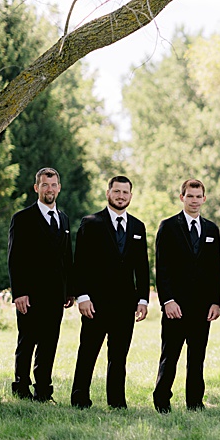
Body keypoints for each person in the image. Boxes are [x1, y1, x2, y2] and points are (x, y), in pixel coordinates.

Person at [70, 175, 149, 409]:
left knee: (119, 356)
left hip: (125, 304)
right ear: (108, 193)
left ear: (130, 196)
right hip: (95, 303)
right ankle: (80, 399)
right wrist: (82, 296)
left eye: (125, 192)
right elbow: (80, 263)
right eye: (117, 191)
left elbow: (142, 266)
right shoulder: (91, 222)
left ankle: (117, 402)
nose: (121, 196)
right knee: (88, 353)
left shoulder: (138, 226)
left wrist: (143, 299)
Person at [152, 179, 220, 413]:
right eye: (190, 196)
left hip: (202, 307)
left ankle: (195, 402)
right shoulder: (168, 226)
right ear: (182, 197)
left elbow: (215, 268)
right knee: (170, 355)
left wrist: (215, 301)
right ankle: (162, 400)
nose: (194, 200)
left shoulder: (211, 229)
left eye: (198, 196)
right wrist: (168, 301)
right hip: (176, 305)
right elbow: (162, 267)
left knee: (197, 357)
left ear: (204, 199)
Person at [7, 167, 75, 402]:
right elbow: (15, 258)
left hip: (56, 294)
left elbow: (67, 257)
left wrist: (70, 291)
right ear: (36, 188)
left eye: (53, 185)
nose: (49, 189)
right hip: (30, 295)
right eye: (45, 185)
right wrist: (19, 292)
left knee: (49, 343)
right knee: (27, 341)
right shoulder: (22, 219)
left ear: (59, 188)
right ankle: (21, 387)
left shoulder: (63, 219)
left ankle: (43, 390)